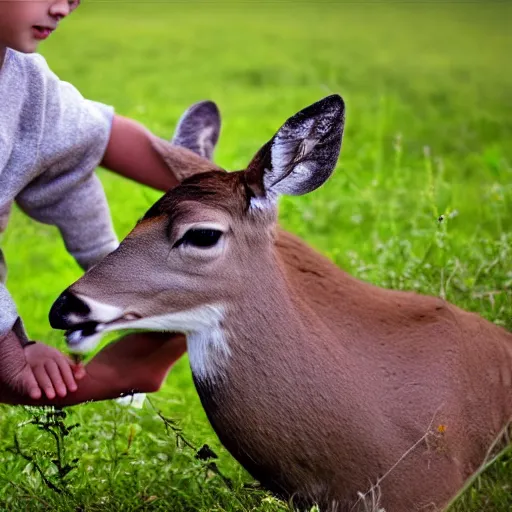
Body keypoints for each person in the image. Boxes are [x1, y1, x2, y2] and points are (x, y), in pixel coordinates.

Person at [0, 0, 190, 406]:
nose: (62, 8)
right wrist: (8, 351)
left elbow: (93, 134)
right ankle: (118, 375)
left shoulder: (23, 78)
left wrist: (230, 188)